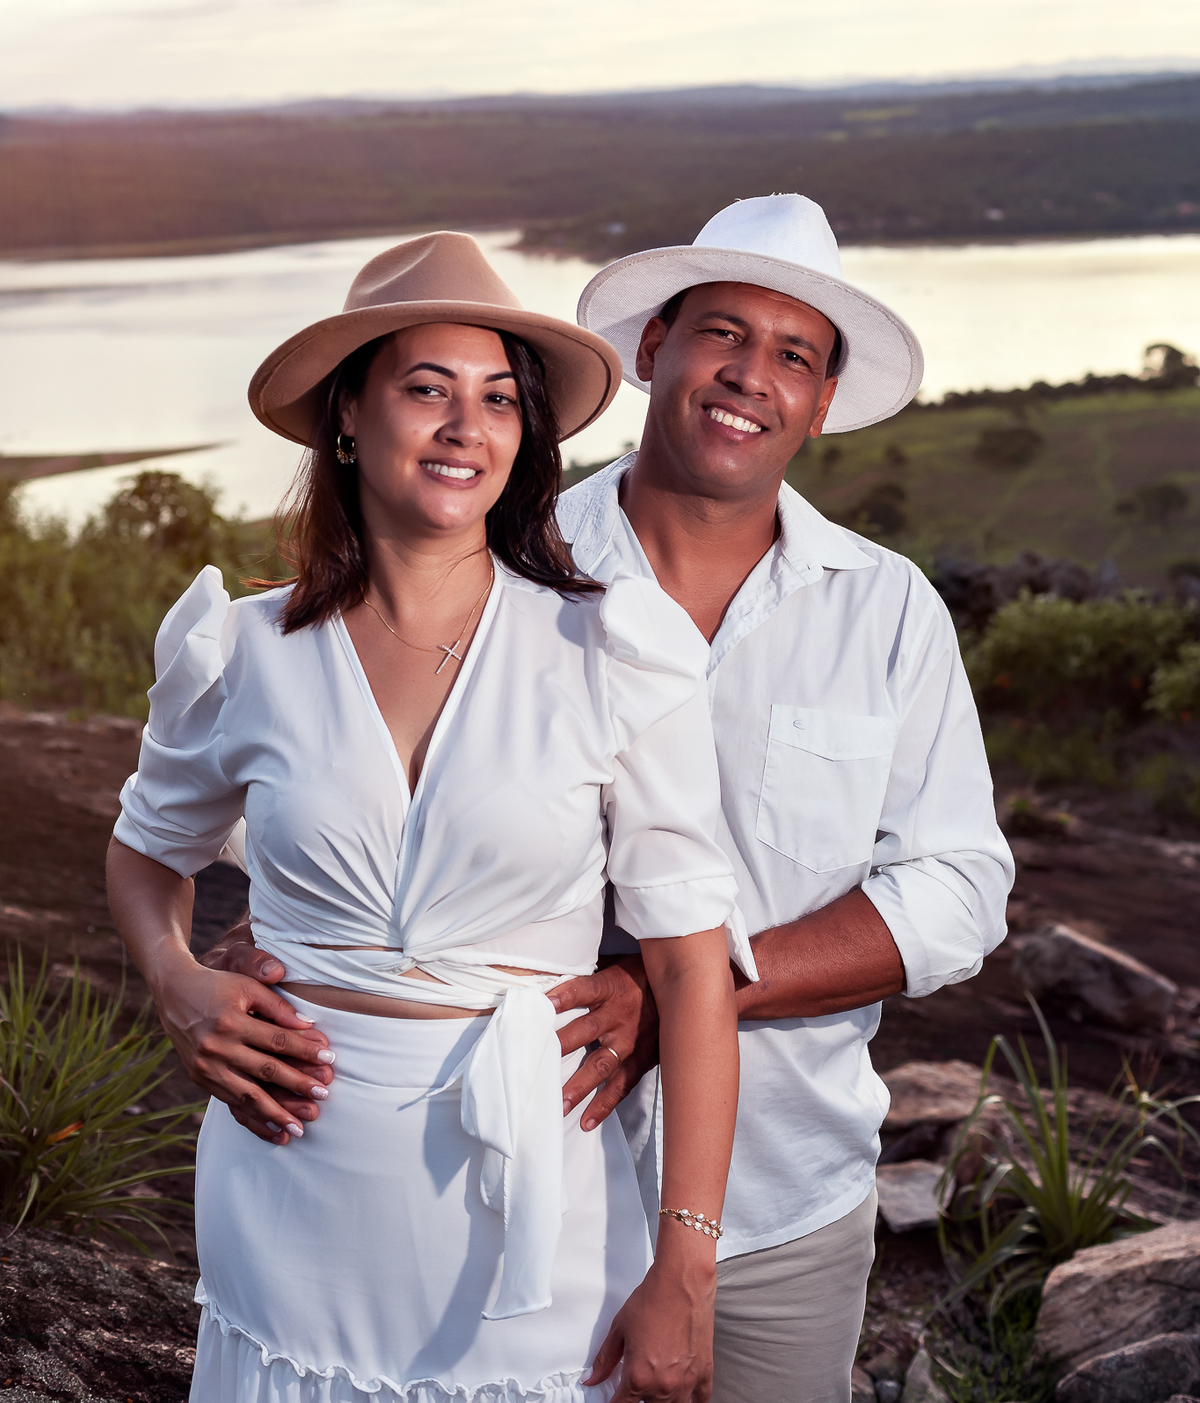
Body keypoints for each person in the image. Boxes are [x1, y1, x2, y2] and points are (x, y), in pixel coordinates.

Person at [201, 196, 1014, 1403]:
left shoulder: (885, 609)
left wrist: (682, 989)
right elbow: (329, 792)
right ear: (654, 348)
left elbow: (958, 892)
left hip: (780, 1204)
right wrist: (275, 954)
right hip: (493, 1201)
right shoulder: (504, 558)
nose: (751, 376)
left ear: (822, 401)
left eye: (795, 355)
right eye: (721, 333)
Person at [106, 232, 752, 1403]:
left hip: (533, 1219)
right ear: (349, 418)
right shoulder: (243, 650)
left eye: (499, 398)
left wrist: (686, 1266)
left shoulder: (611, 649)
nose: (467, 426)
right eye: (427, 389)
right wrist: (176, 980)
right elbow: (149, 848)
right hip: (286, 1193)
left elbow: (692, 971)